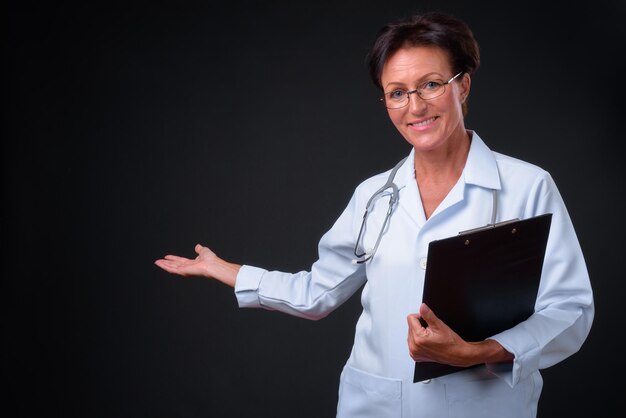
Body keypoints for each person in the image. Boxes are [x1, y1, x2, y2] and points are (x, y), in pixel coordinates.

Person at [155, 11, 594, 418]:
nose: (415, 107)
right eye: (397, 93)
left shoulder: (528, 186)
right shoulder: (374, 196)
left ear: (463, 85)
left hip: (482, 406)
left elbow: (569, 309)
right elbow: (316, 293)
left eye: (432, 84)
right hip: (375, 404)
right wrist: (227, 270)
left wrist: (477, 351)